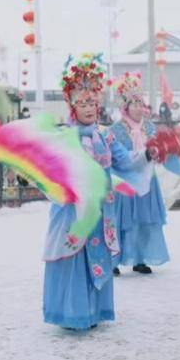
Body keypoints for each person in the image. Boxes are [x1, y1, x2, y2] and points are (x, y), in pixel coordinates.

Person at [42, 54, 145, 330]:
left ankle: (95, 311)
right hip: (72, 212)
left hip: (101, 210)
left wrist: (151, 153)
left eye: (93, 103)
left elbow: (126, 162)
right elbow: (48, 174)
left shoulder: (106, 135)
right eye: (83, 103)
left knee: (97, 257)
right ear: (72, 106)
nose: (89, 108)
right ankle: (74, 313)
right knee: (75, 257)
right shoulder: (63, 136)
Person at [109, 72, 170, 275]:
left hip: (148, 181)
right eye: (134, 104)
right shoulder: (116, 129)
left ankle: (140, 258)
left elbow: (158, 150)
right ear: (125, 107)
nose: (138, 108)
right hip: (125, 181)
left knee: (144, 220)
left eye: (140, 104)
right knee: (121, 220)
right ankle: (114, 259)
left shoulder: (151, 127)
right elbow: (118, 155)